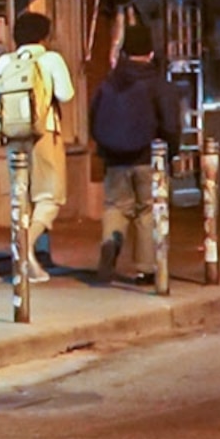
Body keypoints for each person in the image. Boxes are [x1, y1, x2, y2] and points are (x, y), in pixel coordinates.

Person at [0, 11, 74, 281]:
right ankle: (25, 248)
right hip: (44, 132)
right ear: (44, 36)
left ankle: (28, 262)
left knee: (20, 196)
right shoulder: (50, 59)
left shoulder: (5, 61)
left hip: (13, 135)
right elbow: (66, 94)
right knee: (50, 196)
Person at [89, 23, 175, 285]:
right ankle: (145, 268)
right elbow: (171, 122)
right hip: (148, 157)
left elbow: (93, 117)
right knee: (147, 210)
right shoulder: (156, 82)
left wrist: (104, 148)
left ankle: (109, 248)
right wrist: (171, 151)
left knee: (116, 207)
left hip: (114, 159)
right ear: (150, 52)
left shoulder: (109, 81)